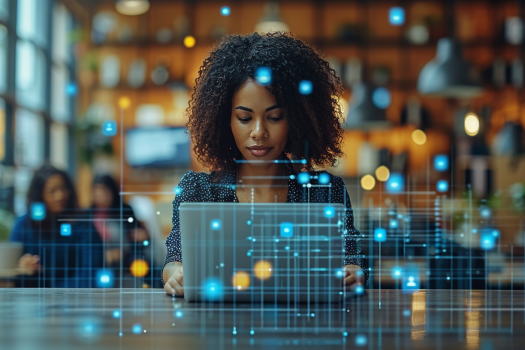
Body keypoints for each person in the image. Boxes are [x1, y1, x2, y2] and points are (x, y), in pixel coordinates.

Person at [162, 32, 368, 296]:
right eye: (245, 118)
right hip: (218, 329)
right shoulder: (198, 191)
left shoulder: (326, 192)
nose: (259, 132)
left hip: (304, 329)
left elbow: (352, 259)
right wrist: (175, 277)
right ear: (225, 120)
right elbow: (174, 260)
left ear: (296, 119)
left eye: (275, 117)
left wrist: (354, 273)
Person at [10, 165, 103, 288]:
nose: (60, 196)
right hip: (33, 300)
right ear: (39, 196)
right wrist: (22, 267)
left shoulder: (83, 225)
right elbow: (10, 268)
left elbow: (90, 275)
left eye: (63, 188)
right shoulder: (24, 224)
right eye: (52, 191)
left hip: (74, 301)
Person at [89, 175, 150, 282]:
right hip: (98, 262)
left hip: (125, 261)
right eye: (96, 190)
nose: (99, 194)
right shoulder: (88, 214)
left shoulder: (125, 210)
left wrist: (141, 235)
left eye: (104, 190)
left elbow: (141, 234)